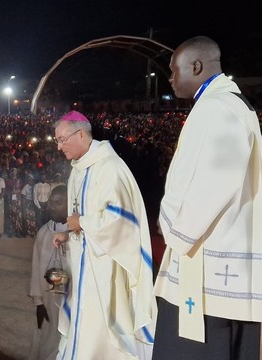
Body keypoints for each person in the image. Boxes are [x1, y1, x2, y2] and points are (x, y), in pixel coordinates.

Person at [152, 36, 262, 359]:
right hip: (220, 266)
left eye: (174, 70)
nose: (170, 78)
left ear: (196, 66)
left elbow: (215, 180)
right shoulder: (224, 104)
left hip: (209, 277)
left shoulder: (217, 108)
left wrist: (172, 225)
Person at [52, 110, 155, 359]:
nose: (59, 147)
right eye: (56, 141)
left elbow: (120, 221)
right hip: (83, 265)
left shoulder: (109, 167)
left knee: (99, 331)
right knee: (82, 326)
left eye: (62, 139)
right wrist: (70, 232)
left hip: (104, 268)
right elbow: (82, 215)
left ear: (81, 134)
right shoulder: (78, 168)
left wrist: (81, 222)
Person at [28, 185, 70, 360]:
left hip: (69, 298)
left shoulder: (77, 236)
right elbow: (36, 268)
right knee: (46, 337)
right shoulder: (43, 233)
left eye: (58, 202)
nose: (51, 206)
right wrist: (38, 301)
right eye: (51, 201)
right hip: (47, 298)